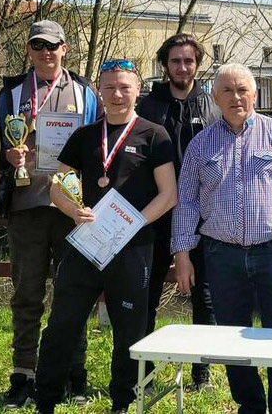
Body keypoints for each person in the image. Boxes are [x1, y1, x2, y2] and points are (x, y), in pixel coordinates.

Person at [172, 62, 272, 414]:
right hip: (221, 255)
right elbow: (187, 202)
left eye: (242, 90)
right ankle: (250, 405)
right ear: (215, 97)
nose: (236, 97)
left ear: (254, 94)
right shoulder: (200, 145)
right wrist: (181, 253)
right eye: (227, 90)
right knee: (231, 337)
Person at [34, 59, 177, 414]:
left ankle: (122, 404)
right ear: (99, 91)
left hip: (132, 247)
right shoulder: (84, 136)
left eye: (125, 87)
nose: (117, 94)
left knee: (130, 331)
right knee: (62, 325)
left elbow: (168, 195)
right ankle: (45, 400)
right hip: (87, 243)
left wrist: (135, 223)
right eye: (110, 87)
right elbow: (58, 187)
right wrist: (73, 211)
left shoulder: (154, 135)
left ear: (138, 90)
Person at [0, 20, 99, 408]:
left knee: (73, 293)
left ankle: (74, 373)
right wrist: (7, 157)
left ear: (65, 48)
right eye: (38, 45)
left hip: (71, 209)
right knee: (27, 295)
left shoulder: (85, 92)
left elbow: (99, 146)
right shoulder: (11, 93)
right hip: (26, 207)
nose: (45, 52)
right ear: (29, 50)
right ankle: (23, 374)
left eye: (52, 45)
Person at [136, 33, 218, 391]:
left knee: (204, 295)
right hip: (156, 211)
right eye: (175, 61)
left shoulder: (212, 105)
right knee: (147, 293)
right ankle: (145, 372)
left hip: (201, 214)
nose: (182, 67)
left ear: (197, 64)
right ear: (164, 65)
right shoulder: (147, 106)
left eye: (189, 61)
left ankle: (202, 374)